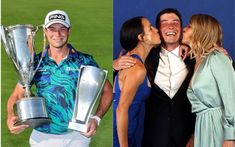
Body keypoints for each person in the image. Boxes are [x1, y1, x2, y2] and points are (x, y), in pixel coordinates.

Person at [6, 10, 113, 147]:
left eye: (62, 29)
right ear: (45, 31)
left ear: (69, 31)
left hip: (77, 136)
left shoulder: (84, 60)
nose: (57, 34)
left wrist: (96, 118)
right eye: (52, 29)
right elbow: (16, 94)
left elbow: (108, 90)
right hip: (42, 136)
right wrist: (10, 116)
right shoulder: (34, 62)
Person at [113, 8, 196, 147]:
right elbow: (119, 88)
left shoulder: (194, 57)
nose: (171, 26)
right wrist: (113, 65)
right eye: (164, 23)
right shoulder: (141, 58)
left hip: (186, 137)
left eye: (176, 22)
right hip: (151, 137)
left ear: (181, 28)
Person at [182, 14, 235, 147]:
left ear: (201, 31)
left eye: (189, 26)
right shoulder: (197, 61)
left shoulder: (217, 58)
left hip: (218, 126)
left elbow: (231, 98)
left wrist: (230, 137)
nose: (184, 29)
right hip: (202, 127)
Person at [113, 16, 161, 147]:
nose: (156, 30)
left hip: (129, 133)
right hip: (120, 137)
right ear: (141, 37)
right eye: (150, 28)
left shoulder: (130, 58)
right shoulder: (136, 68)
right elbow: (121, 109)